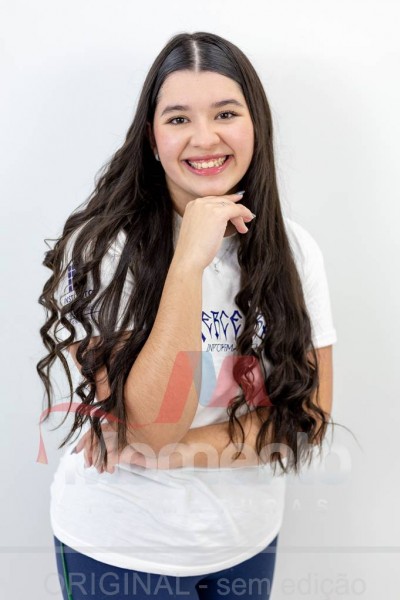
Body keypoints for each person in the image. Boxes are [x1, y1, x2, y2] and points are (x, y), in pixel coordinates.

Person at [37, 31, 338, 600]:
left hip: (245, 546)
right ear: (152, 139)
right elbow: (155, 422)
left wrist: (169, 453)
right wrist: (189, 263)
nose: (205, 138)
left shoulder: (294, 251)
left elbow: (309, 417)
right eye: (178, 119)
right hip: (120, 552)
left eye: (225, 113)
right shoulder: (103, 250)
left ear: (255, 125)